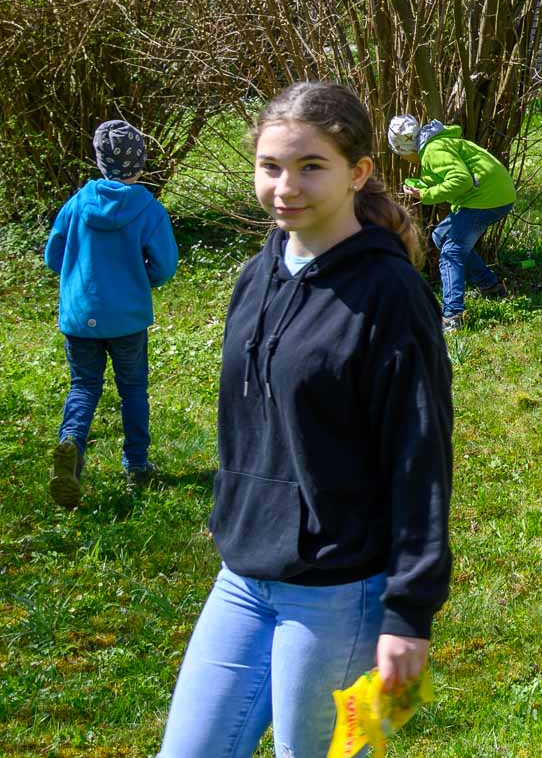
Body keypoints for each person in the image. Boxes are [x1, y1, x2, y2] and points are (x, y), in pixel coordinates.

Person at [158, 82, 452, 758]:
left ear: (358, 173)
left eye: (310, 166)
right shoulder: (258, 273)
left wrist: (408, 610)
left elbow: (420, 454)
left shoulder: (389, 295)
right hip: (242, 575)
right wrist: (234, 508)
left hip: (338, 589)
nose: (286, 186)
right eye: (271, 167)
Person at [44, 120, 179, 508]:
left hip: (79, 314)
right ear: (139, 164)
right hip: (127, 318)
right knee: (133, 388)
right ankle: (136, 464)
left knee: (84, 385)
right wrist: (140, 279)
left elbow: (54, 254)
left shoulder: (77, 203)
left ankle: (71, 442)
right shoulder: (148, 209)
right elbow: (165, 267)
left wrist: (76, 278)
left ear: (100, 162)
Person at [387, 115, 516, 332]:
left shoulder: (432, 151)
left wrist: (425, 194)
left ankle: (452, 316)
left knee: (452, 253)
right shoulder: (435, 145)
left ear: (404, 148)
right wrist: (424, 184)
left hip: (486, 199)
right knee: (440, 236)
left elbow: (461, 180)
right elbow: (451, 174)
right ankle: (490, 286)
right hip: (493, 194)